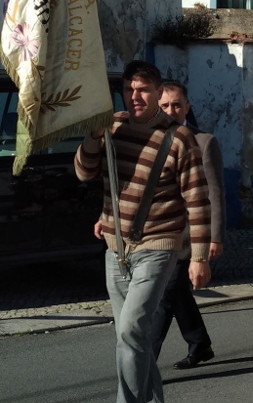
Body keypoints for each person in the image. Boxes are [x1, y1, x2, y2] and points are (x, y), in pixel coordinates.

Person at [75, 60, 211, 403]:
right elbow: (83, 172)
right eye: (128, 90)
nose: (134, 96)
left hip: (158, 246)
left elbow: (197, 200)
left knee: (132, 331)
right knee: (129, 337)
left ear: (157, 92)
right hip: (115, 249)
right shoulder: (113, 126)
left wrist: (198, 257)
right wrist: (93, 136)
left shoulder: (179, 138)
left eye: (143, 90)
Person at [152, 82, 225, 370]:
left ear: (187, 107)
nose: (171, 111)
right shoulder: (150, 142)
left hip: (189, 238)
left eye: (177, 105)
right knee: (177, 292)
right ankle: (200, 343)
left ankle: (143, 361)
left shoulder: (204, 142)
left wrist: (214, 239)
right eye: (165, 106)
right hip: (159, 234)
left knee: (164, 295)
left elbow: (215, 194)